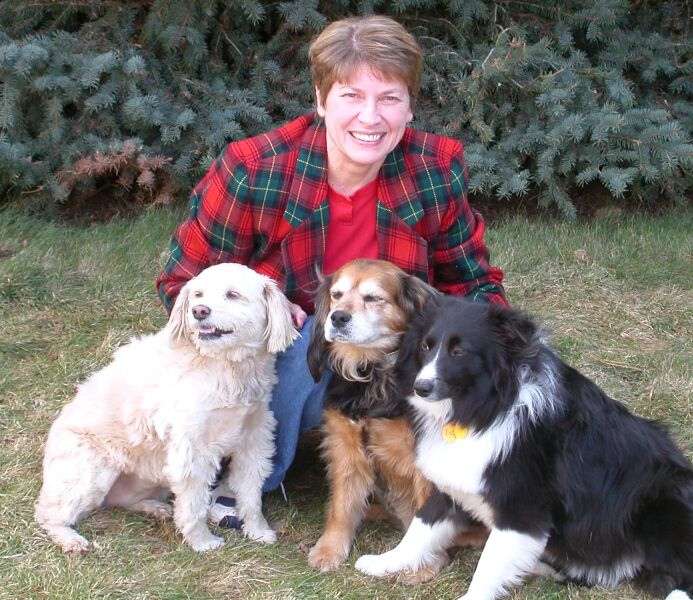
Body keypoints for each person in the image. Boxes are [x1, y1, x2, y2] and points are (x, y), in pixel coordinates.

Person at [156, 15, 507, 525]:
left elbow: (470, 282)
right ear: (321, 100)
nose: (371, 117)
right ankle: (238, 478)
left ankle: (437, 470)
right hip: (294, 345)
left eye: (389, 98)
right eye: (351, 96)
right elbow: (181, 283)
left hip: (395, 343)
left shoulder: (435, 168)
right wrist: (270, 312)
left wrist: (500, 350)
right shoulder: (254, 169)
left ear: (410, 106)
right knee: (312, 338)